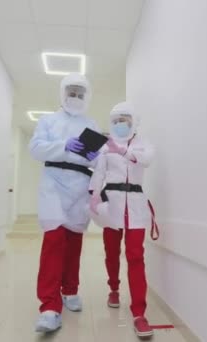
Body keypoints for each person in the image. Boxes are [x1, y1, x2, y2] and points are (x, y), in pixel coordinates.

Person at [29, 73, 101, 333]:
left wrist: (95, 157)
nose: (76, 97)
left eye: (81, 93)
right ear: (62, 94)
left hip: (80, 186)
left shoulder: (90, 123)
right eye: (71, 92)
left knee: (73, 243)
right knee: (54, 241)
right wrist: (64, 146)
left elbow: (97, 160)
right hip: (53, 185)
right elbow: (36, 148)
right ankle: (49, 306)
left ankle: (70, 291)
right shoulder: (48, 120)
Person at [88, 102, 156, 338]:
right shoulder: (106, 148)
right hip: (112, 204)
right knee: (111, 251)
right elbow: (98, 173)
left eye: (124, 119)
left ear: (134, 121)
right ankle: (114, 289)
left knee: (136, 256)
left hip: (135, 203)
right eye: (116, 120)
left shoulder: (143, 143)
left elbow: (146, 160)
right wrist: (94, 195)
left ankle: (139, 313)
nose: (119, 124)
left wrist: (123, 151)